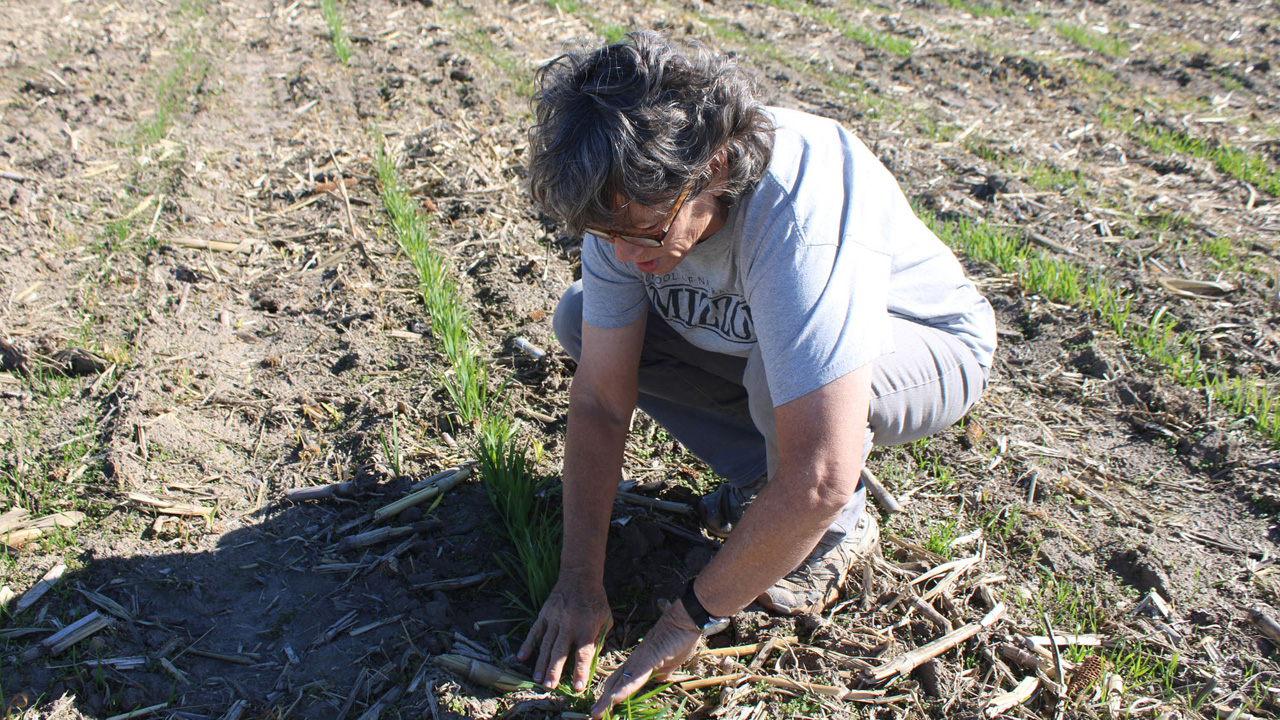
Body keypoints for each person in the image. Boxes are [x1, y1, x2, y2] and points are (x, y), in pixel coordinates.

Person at [516, 32, 997, 718]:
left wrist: (685, 621)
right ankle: (762, 489)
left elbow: (821, 473)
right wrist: (576, 580)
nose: (625, 252)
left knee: (793, 401)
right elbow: (598, 399)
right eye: (605, 233)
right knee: (581, 319)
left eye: (647, 231)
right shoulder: (625, 206)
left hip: (927, 346)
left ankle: (835, 534)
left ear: (713, 165)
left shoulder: (797, 206)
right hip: (763, 343)